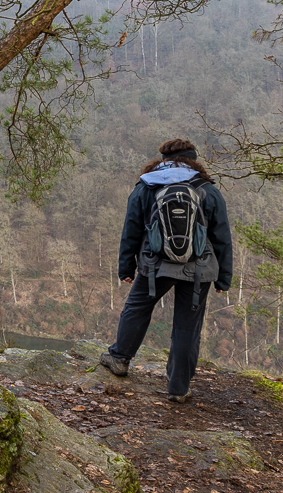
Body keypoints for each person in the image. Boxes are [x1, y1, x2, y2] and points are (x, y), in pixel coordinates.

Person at [98, 138, 233, 402]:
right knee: (187, 326)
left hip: (154, 265)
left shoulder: (148, 185)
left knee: (137, 308)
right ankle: (178, 388)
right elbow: (222, 237)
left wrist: (126, 267)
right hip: (199, 269)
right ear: (194, 161)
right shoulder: (208, 189)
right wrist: (223, 277)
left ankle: (120, 359)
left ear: (163, 160)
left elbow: (132, 229)